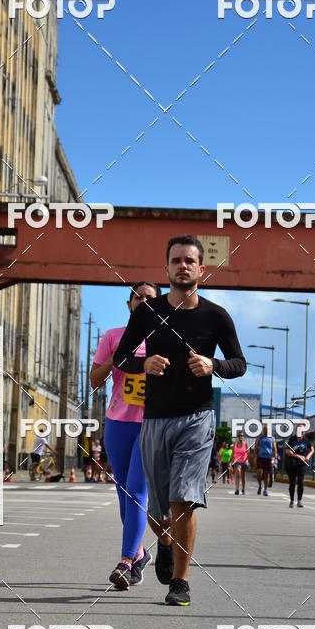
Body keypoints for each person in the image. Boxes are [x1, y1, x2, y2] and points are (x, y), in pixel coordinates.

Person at [113, 234, 246, 606]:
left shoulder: (216, 316)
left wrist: (213, 365)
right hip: (155, 419)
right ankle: (164, 540)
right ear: (166, 268)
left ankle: (180, 583)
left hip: (197, 418)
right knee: (157, 510)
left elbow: (239, 364)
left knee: (184, 498)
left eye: (190, 260)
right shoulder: (147, 313)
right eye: (176, 260)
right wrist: (144, 364)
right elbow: (122, 357)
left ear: (201, 269)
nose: (183, 266)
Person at [90, 281, 161, 589]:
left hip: (151, 425)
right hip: (117, 424)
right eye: (138, 297)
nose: (143, 300)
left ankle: (125, 561)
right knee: (123, 496)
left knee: (136, 492)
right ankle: (140, 553)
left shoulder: (166, 339)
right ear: (129, 304)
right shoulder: (112, 336)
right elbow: (95, 380)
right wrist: (118, 356)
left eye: (150, 297)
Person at [284, 430, 313, 507]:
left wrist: (308, 456)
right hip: (292, 463)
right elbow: (287, 451)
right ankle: (292, 500)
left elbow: (312, 449)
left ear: (304, 433)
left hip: (302, 464)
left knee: (300, 482)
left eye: (302, 431)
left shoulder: (306, 441)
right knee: (292, 483)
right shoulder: (292, 439)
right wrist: (297, 456)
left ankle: (299, 501)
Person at [254, 426, 277, 496]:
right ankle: (260, 486)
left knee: (267, 474)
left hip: (268, 458)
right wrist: (255, 457)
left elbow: (274, 448)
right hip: (260, 457)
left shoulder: (272, 438)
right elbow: (255, 447)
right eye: (264, 429)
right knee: (259, 473)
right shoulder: (259, 437)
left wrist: (274, 457)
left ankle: (266, 490)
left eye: (267, 429)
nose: (265, 430)